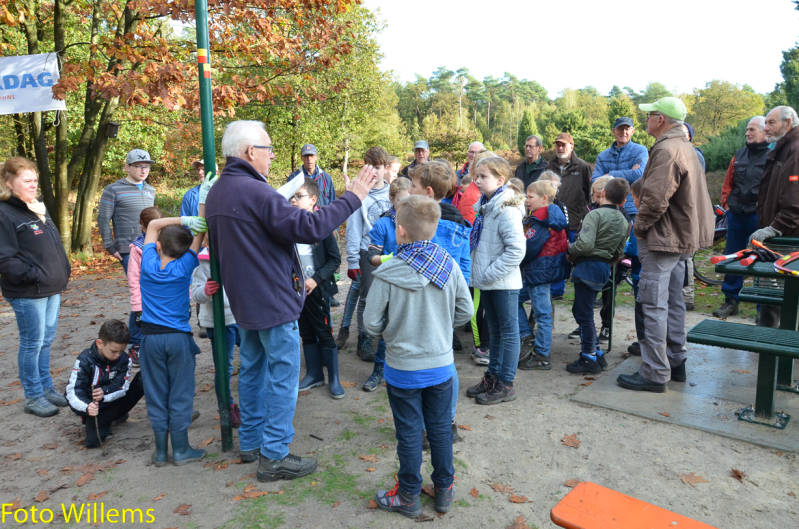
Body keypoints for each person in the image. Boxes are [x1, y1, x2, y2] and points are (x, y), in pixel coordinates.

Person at [205, 120, 377, 481]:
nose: (271, 157)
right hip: (270, 299)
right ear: (250, 152)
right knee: (282, 374)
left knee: (252, 368)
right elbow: (311, 227)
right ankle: (274, 454)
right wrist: (353, 197)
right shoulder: (256, 192)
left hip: (245, 299)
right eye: (268, 150)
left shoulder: (220, 191)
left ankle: (252, 443)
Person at [365, 195, 473, 518]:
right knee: (440, 429)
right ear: (436, 227)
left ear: (400, 231)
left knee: (409, 432)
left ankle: (409, 495)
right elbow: (465, 311)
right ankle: (444, 489)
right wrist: (440, 328)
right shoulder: (448, 265)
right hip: (441, 366)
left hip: (402, 370)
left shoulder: (387, 273)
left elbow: (371, 324)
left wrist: (393, 332)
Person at [617, 97, 714, 393]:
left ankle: (656, 372)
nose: (645, 119)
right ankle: (675, 362)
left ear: (661, 119)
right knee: (673, 303)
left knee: (653, 303)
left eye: (649, 115)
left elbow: (656, 198)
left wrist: (641, 226)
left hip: (665, 239)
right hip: (682, 238)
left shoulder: (667, 149)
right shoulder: (685, 147)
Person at [0, 157, 71, 417]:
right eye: (27, 180)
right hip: (29, 291)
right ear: (8, 183)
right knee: (32, 343)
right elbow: (5, 259)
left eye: (35, 180)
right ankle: (33, 396)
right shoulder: (4, 212)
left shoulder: (36, 207)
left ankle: (46, 388)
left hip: (51, 288)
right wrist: (35, 275)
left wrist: (62, 270)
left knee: (46, 340)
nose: (33, 185)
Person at [408, 160, 473, 436]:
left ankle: (424, 427)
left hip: (422, 307)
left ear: (429, 192)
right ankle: (447, 421)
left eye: (414, 186)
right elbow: (465, 269)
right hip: (446, 307)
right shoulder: (461, 224)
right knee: (446, 365)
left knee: (422, 367)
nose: (410, 191)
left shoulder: (425, 227)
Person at [138, 214, 207, 466]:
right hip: (178, 339)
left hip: (150, 339)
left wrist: (184, 219)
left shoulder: (147, 263)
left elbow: (154, 225)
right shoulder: (186, 266)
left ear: (158, 246)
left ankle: (159, 452)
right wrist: (198, 220)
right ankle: (180, 450)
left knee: (156, 393)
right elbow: (200, 234)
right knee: (180, 393)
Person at [465, 156, 525, 405]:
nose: (477, 181)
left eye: (483, 177)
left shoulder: (506, 209)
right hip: (488, 281)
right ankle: (493, 376)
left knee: (509, 333)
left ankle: (506, 383)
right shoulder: (486, 205)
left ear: (500, 180)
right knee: (496, 333)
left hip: (502, 283)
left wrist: (488, 274)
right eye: (476, 176)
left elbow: (516, 250)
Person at [566, 178, 630, 374]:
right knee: (583, 311)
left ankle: (588, 357)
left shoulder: (594, 215)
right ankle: (597, 351)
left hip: (587, 266)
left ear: (602, 194)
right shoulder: (623, 220)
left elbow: (584, 244)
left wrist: (570, 250)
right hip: (604, 268)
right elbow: (620, 250)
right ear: (624, 200)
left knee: (583, 313)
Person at [289, 178, 345, 399]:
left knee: (324, 333)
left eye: (298, 196)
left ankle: (334, 378)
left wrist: (315, 279)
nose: (293, 200)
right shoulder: (289, 229)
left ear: (313, 200)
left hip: (318, 291)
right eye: (292, 197)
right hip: (297, 293)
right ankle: (314, 374)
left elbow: (334, 260)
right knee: (306, 332)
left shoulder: (322, 228)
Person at [713, 116, 769, 318]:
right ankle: (731, 300)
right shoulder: (738, 155)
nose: (747, 133)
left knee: (762, 260)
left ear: (764, 132)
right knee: (733, 257)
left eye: (752, 129)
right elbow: (728, 183)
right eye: (747, 129)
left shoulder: (772, 156)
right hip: (737, 215)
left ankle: (763, 309)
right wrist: (728, 203)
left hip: (759, 218)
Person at [750, 106, 799, 328]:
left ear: (787, 124)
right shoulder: (783, 148)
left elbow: (794, 200)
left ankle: (776, 353)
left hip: (787, 240)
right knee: (771, 299)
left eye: (771, 123)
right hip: (779, 238)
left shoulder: (795, 150)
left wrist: (774, 228)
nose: (766, 128)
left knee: (777, 300)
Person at [362, 178, 412, 391]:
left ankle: (406, 374)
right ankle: (378, 372)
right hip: (389, 283)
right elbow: (371, 255)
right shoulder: (383, 223)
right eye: (401, 200)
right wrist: (388, 259)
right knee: (386, 330)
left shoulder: (416, 221)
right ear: (391, 199)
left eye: (409, 200)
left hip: (411, 284)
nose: (405, 205)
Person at [65, 319, 143, 448]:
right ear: (100, 343)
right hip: (94, 408)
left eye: (121, 351)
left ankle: (118, 416)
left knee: (143, 378)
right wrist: (87, 406)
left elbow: (123, 387)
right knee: (94, 442)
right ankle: (98, 421)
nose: (118, 355)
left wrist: (105, 392)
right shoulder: (85, 360)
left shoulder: (124, 359)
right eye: (113, 351)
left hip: (114, 400)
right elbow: (72, 392)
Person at [345, 147, 392, 362]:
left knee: (389, 297)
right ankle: (364, 337)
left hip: (390, 253)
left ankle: (385, 336)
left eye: (379, 167)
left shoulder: (392, 193)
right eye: (370, 167)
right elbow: (354, 227)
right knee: (366, 296)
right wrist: (353, 259)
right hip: (367, 252)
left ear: (386, 168)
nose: (375, 172)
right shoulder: (359, 195)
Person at [518, 180, 569, 370]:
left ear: (544, 198)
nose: (526, 200)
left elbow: (530, 246)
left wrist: (517, 257)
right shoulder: (552, 215)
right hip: (545, 268)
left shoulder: (540, 218)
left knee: (542, 313)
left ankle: (541, 355)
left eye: (530, 197)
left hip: (539, 270)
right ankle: (526, 334)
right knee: (517, 298)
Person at [190, 245, 242, 425]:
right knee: (224, 366)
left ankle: (254, 403)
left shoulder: (240, 251)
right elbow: (195, 293)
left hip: (243, 317)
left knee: (256, 356)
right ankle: (227, 407)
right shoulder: (203, 261)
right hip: (221, 321)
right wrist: (206, 290)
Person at [97, 149, 156, 273]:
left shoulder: (151, 190)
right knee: (138, 288)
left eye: (146, 166)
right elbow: (103, 219)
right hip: (129, 250)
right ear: (127, 167)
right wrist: (110, 247)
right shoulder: (113, 189)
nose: (143, 170)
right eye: (138, 166)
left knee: (152, 288)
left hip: (151, 247)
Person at [126, 206, 163, 367]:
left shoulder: (168, 243)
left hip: (159, 296)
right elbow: (134, 278)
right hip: (145, 296)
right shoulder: (137, 248)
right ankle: (137, 348)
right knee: (140, 324)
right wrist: (137, 305)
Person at [547, 132, 592, 239]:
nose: (560, 148)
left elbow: (589, 194)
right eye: (558, 145)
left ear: (572, 146)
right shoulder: (549, 166)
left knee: (573, 253)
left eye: (563, 145)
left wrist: (584, 216)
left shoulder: (583, 167)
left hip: (575, 222)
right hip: (555, 222)